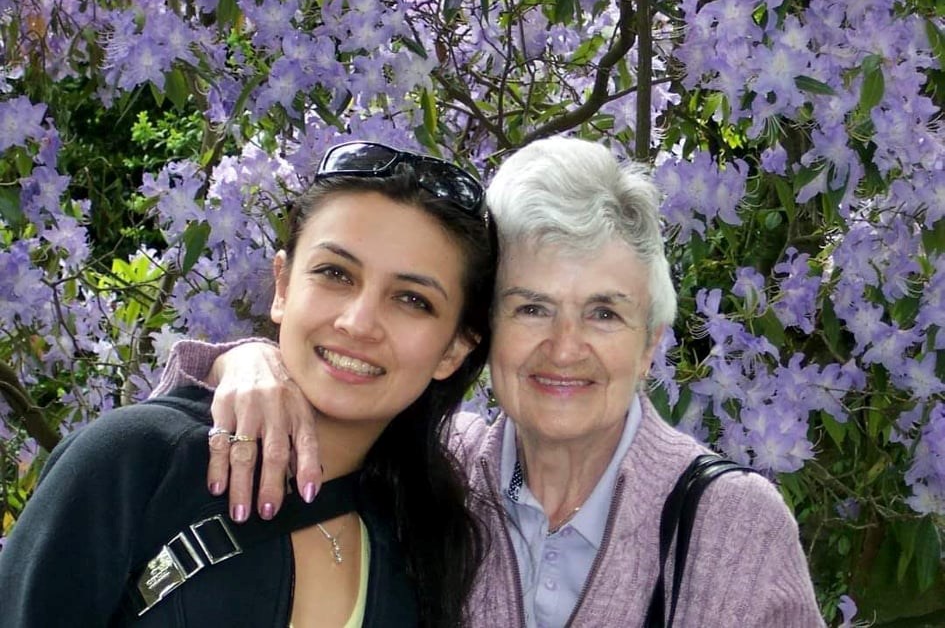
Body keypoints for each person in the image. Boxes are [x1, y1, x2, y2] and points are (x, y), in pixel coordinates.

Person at [151, 137, 825, 626]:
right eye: (530, 307)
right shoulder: (435, 474)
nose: (565, 349)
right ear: (480, 335)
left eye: (603, 313)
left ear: (649, 344)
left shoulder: (732, 523)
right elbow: (327, 396)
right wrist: (242, 361)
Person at [0, 141, 498, 627]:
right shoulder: (138, 461)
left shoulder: (427, 544)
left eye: (412, 300)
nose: (358, 322)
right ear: (282, 287)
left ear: (454, 348)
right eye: (335, 273)